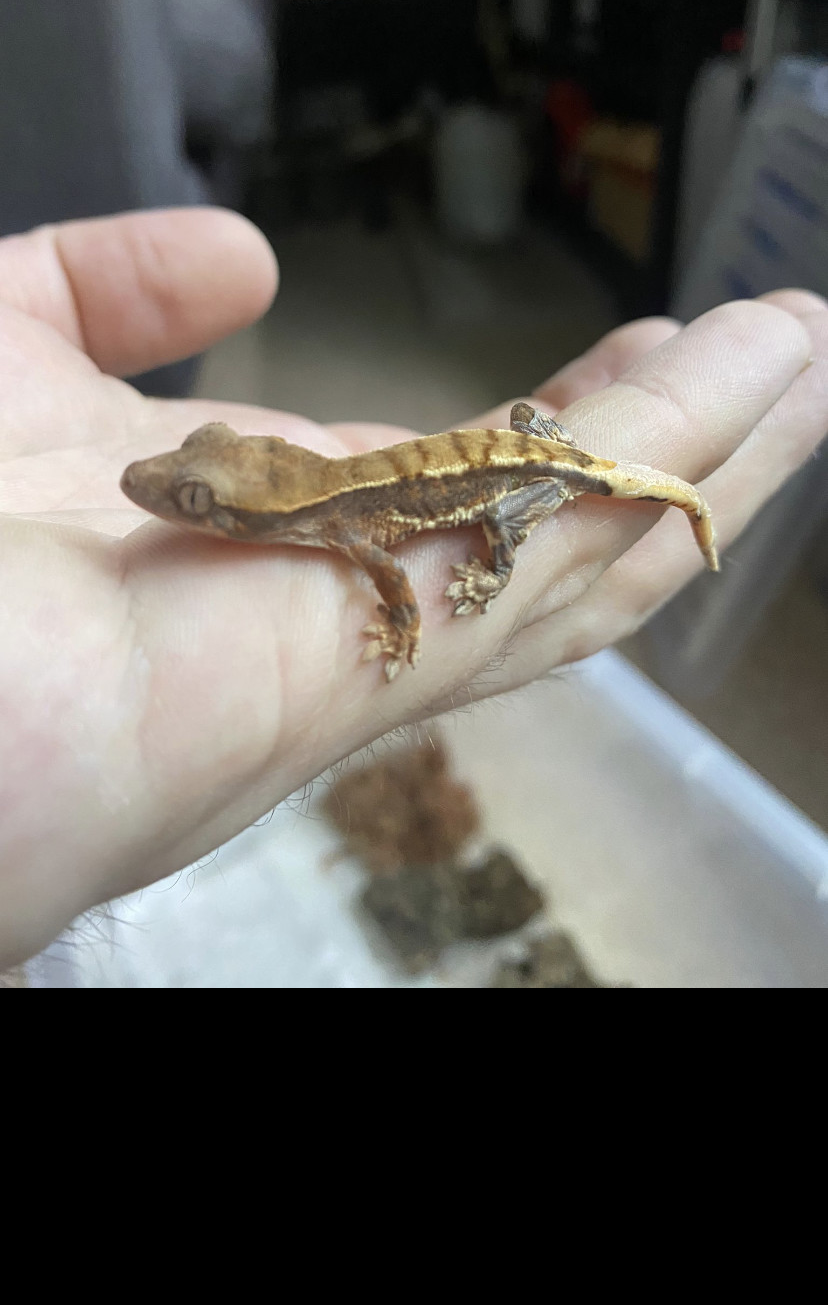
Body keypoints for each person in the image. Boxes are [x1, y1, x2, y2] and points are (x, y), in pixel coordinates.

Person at [0, 205, 825, 971]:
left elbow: (394, 577)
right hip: (533, 447)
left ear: (258, 516)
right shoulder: (326, 507)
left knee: (501, 529)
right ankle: (607, 482)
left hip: (531, 480)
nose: (155, 489)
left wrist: (409, 627)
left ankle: (522, 551)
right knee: (532, 432)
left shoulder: (348, 528)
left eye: (192, 499)